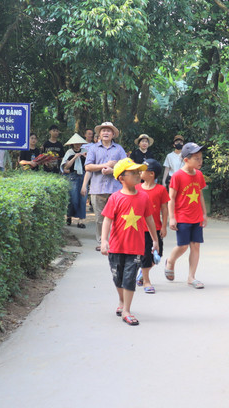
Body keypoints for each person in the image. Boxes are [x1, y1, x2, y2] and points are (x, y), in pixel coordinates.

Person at [100, 158, 159, 326]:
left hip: (136, 247)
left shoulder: (144, 197)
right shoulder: (115, 198)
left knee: (130, 278)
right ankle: (121, 300)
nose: (137, 175)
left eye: (137, 172)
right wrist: (104, 241)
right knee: (117, 278)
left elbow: (150, 220)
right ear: (121, 178)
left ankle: (127, 310)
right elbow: (107, 221)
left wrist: (155, 240)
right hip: (116, 246)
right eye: (132, 173)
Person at [165, 142, 208, 289]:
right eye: (196, 158)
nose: (200, 161)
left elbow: (200, 194)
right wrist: (172, 217)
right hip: (182, 216)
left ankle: (191, 277)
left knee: (196, 246)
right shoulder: (177, 176)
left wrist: (204, 213)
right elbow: (171, 198)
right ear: (186, 160)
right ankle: (170, 261)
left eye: (201, 158)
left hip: (196, 217)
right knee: (183, 246)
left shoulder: (199, 175)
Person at [84, 121, 127, 251]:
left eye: (108, 130)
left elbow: (126, 167)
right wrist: (104, 165)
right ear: (99, 134)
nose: (106, 133)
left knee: (117, 218)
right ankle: (102, 242)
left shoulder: (119, 149)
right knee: (99, 218)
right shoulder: (93, 149)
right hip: (97, 189)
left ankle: (115, 242)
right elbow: (88, 166)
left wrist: (112, 170)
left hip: (116, 189)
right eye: (103, 130)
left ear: (113, 134)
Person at [135, 159, 170, 294]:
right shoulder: (137, 188)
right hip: (140, 229)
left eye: (143, 170)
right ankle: (146, 281)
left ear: (151, 174)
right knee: (145, 256)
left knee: (158, 255)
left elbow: (164, 208)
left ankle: (142, 274)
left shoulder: (161, 190)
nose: (140, 172)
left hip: (155, 228)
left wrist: (164, 226)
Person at [62, 133, 88, 228]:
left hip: (83, 176)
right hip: (72, 176)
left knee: (83, 199)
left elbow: (89, 163)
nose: (77, 145)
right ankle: (69, 216)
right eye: (75, 143)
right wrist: (75, 157)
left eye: (79, 143)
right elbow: (66, 166)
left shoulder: (85, 151)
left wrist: (85, 157)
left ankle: (80, 221)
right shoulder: (69, 152)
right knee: (73, 199)